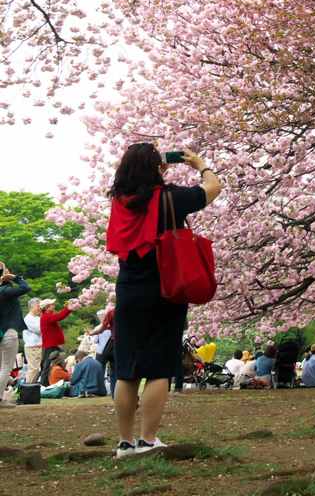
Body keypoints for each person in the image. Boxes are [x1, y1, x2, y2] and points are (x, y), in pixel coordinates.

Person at [105, 143, 222, 457]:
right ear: (159, 168)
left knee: (126, 370)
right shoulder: (170, 198)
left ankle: (125, 443)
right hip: (166, 287)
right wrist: (200, 164)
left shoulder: (119, 202)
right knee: (159, 367)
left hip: (129, 290)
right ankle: (148, 439)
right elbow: (213, 188)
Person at [0, 262, 30, 404]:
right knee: (6, 367)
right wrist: (15, 277)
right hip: (8, 332)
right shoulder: (5, 291)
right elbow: (25, 287)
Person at [39, 298, 74, 385]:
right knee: (47, 365)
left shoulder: (48, 315)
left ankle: (46, 383)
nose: (54, 305)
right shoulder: (46, 316)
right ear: (47, 307)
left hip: (52, 345)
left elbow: (58, 316)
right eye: (52, 304)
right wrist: (68, 309)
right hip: (51, 345)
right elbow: (59, 316)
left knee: (51, 364)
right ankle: (43, 384)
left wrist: (67, 309)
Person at [21, 297, 42, 385]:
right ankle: (27, 388)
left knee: (36, 369)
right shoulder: (28, 319)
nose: (40, 308)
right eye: (38, 306)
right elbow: (40, 330)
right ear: (32, 306)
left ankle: (30, 388)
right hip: (32, 347)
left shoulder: (37, 318)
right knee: (33, 369)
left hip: (39, 346)